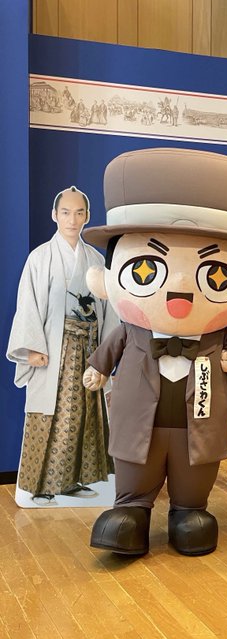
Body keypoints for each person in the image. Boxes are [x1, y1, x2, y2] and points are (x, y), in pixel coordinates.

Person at [81, 147, 227, 557]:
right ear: (105, 279)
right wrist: (98, 368)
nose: (180, 291)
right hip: (139, 418)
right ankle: (131, 509)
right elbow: (112, 346)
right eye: (146, 269)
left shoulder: (222, 334)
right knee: (136, 464)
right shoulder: (132, 331)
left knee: (196, 469)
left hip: (200, 421)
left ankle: (189, 510)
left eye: (217, 274)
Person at [6, 186, 118, 505]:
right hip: (54, 350)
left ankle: (72, 481)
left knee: (85, 416)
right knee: (52, 416)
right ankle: (41, 486)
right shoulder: (40, 257)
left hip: (89, 347)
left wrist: (105, 358)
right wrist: (31, 348)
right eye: (66, 212)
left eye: (79, 212)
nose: (72, 219)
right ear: (54, 215)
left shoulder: (95, 260)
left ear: (87, 216)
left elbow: (110, 312)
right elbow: (28, 304)